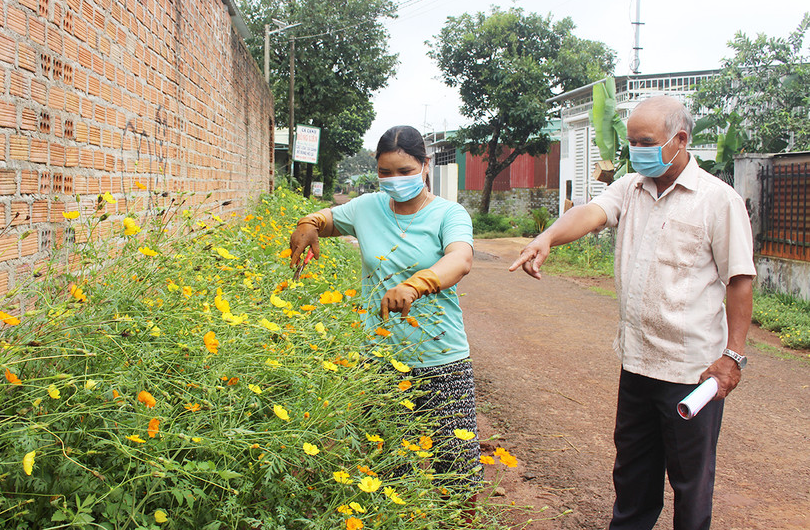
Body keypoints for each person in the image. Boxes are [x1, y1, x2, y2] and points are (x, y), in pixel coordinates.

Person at [510, 96, 755, 530]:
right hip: (638, 364)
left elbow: (739, 280)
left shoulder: (718, 200)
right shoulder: (631, 186)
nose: (636, 151)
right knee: (632, 479)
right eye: (632, 143)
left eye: (646, 142)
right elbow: (592, 212)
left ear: (680, 140)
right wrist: (547, 237)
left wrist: (732, 357)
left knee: (690, 486)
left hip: (691, 372)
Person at [289, 125, 481, 490]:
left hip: (441, 357)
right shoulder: (367, 208)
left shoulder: (449, 214)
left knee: (457, 472)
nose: (394, 180)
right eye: (385, 172)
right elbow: (326, 218)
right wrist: (308, 223)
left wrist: (416, 284)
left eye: (405, 171)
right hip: (377, 360)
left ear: (425, 165)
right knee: (384, 470)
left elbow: (460, 259)